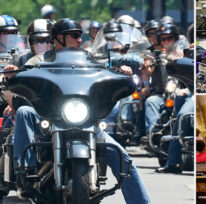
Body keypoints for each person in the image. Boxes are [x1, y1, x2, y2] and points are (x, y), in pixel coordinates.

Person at [3, 18, 151, 204]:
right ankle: (25, 169)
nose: (80, 40)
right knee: (24, 111)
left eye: (80, 36)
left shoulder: (89, 59)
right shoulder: (38, 61)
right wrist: (15, 75)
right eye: (74, 35)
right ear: (59, 38)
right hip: (49, 119)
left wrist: (122, 73)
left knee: (123, 158)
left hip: (85, 120)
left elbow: (107, 70)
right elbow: (25, 78)